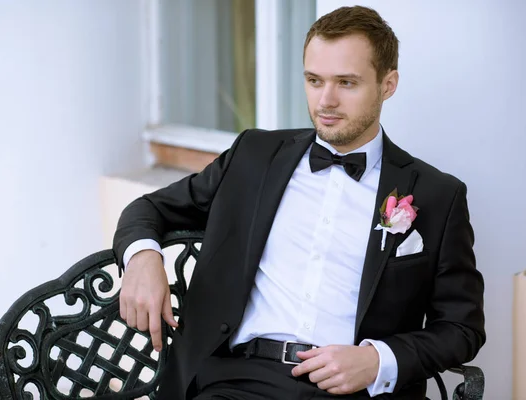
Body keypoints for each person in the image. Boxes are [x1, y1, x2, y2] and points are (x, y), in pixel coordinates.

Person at [113, 5, 485, 400]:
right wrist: (141, 258)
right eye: (314, 79)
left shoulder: (437, 195)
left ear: (387, 84)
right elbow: (149, 209)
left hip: (352, 392)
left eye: (346, 83)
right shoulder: (253, 156)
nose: (326, 100)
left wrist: (379, 360)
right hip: (236, 383)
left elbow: (462, 328)